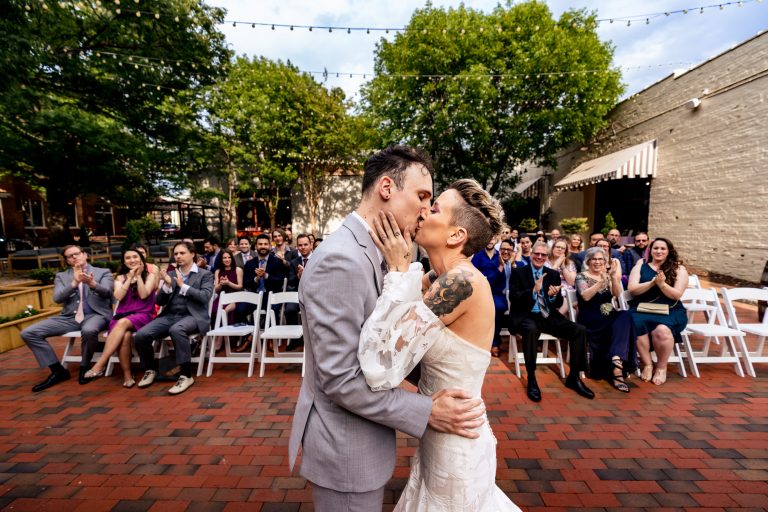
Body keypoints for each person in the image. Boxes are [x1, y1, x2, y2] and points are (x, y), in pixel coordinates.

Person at [288, 145, 484, 511]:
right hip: (344, 449)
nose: (426, 209)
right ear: (386, 188)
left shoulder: (377, 251)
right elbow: (341, 379)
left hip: (366, 438)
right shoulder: (341, 260)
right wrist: (428, 411)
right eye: (422, 196)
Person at [359, 180, 520, 511]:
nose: (423, 210)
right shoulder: (437, 279)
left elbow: (383, 361)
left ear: (456, 235)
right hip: (440, 430)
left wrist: (399, 270)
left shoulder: (462, 283)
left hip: (457, 444)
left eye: (433, 208)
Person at [508, 241, 594, 402]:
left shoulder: (552, 274)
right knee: (531, 330)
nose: (539, 257)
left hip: (547, 316)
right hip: (526, 315)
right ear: (532, 254)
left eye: (543, 255)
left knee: (579, 330)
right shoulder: (519, 272)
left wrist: (554, 295)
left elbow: (558, 303)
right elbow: (514, 298)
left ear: (547, 257)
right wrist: (534, 290)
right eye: (537, 254)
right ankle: (532, 379)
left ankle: (574, 378)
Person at [21, 245, 114, 391]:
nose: (74, 257)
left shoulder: (103, 272)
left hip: (96, 315)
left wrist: (92, 283)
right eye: (70, 256)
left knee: (89, 330)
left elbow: (108, 292)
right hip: (69, 317)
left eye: (77, 253)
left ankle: (85, 366)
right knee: (29, 333)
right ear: (67, 261)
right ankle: (58, 371)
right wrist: (74, 283)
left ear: (85, 254)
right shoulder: (62, 276)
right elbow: (58, 298)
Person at [133, 241, 214, 395]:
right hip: (170, 315)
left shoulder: (205, 274)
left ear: (192, 254)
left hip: (192, 316)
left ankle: (186, 375)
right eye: (176, 254)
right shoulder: (170, 274)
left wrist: (183, 286)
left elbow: (204, 297)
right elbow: (159, 301)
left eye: (182, 253)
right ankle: (150, 369)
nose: (178, 256)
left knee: (177, 330)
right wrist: (167, 286)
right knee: (142, 335)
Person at [83, 248, 158, 387]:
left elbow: (143, 294)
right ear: (124, 261)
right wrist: (129, 278)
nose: (132, 260)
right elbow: (118, 296)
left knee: (123, 323)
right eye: (128, 258)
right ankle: (128, 375)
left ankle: (100, 364)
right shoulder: (119, 278)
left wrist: (139, 276)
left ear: (141, 259)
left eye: (135, 257)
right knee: (125, 336)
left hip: (143, 315)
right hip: (122, 316)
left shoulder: (150, 276)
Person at [627, 237, 689, 386]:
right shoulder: (640, 265)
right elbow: (633, 290)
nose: (659, 251)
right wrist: (652, 283)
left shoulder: (678, 269)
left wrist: (662, 285)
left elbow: (676, 295)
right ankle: (647, 364)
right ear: (650, 250)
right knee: (634, 323)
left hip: (671, 310)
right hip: (643, 308)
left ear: (669, 251)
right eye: (655, 248)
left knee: (661, 330)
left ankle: (661, 367)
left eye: (663, 248)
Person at [575, 247, 637, 393]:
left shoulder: (608, 276)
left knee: (626, 315)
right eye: (594, 259)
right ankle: (617, 373)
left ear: (605, 262)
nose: (597, 262)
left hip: (608, 316)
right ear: (588, 261)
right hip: (590, 318)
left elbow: (617, 294)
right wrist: (599, 283)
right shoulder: (581, 276)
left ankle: (616, 360)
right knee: (622, 320)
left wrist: (613, 277)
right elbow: (585, 296)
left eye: (601, 259)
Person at [471, 237, 507, 358]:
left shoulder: (500, 256)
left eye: (492, 239)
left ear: (496, 240)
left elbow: (503, 280)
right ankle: (479, 342)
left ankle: (495, 342)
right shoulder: (478, 255)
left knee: (499, 307)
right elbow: (475, 276)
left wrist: (500, 269)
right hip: (481, 292)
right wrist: (498, 270)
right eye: (488, 238)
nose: (490, 241)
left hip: (496, 293)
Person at [211, 249, 243, 330]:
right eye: (224, 258)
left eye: (229, 257)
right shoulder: (218, 271)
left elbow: (240, 287)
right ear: (221, 260)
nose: (227, 260)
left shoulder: (238, 270)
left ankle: (228, 335)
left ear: (232, 258)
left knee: (225, 310)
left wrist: (229, 283)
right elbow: (216, 290)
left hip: (235, 297)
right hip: (222, 297)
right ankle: (217, 333)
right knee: (213, 310)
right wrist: (221, 284)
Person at [545, 237, 577, 316]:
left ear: (565, 252)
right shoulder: (545, 261)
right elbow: (547, 278)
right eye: (557, 247)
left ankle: (552, 320)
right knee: (569, 309)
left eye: (563, 248)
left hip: (568, 293)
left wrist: (563, 267)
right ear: (552, 248)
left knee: (570, 305)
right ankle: (554, 320)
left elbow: (571, 282)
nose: (560, 249)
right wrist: (556, 265)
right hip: (550, 290)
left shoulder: (570, 263)